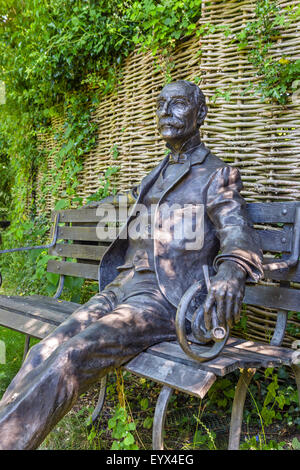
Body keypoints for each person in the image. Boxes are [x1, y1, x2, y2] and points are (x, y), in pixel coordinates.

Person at [0, 80, 263, 450]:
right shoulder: (153, 174)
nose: (165, 112)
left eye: (177, 104)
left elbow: (237, 232)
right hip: (121, 287)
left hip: (163, 299)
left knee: (73, 356)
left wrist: (233, 271)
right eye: (160, 104)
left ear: (200, 113)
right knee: (44, 350)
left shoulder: (217, 175)